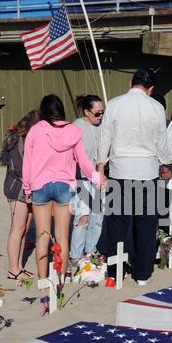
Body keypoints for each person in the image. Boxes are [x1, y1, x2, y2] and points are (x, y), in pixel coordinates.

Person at [97, 68, 172, 286]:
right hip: (147, 170)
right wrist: (165, 163)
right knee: (145, 223)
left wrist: (101, 165)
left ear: (131, 82)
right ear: (150, 89)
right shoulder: (157, 107)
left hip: (120, 169)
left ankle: (116, 272)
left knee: (117, 224)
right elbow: (162, 139)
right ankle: (142, 274)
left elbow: (105, 137)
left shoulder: (113, 103)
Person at [22, 94, 103, 283]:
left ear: (43, 111)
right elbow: (84, 162)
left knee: (42, 235)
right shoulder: (73, 131)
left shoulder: (35, 130)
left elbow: (28, 163)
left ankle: (43, 283)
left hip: (40, 187)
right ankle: (60, 281)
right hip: (65, 187)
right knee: (62, 236)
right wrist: (97, 178)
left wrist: (27, 189)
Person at [0, 110, 41, 284]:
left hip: (30, 188)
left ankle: (19, 266)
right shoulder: (18, 140)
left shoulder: (29, 139)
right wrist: (29, 187)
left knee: (24, 228)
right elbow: (18, 168)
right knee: (17, 228)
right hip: (18, 189)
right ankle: (13, 269)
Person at [69, 94, 104, 267]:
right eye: (97, 113)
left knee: (97, 216)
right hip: (80, 178)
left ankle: (90, 251)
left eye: (102, 112)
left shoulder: (102, 127)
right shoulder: (76, 127)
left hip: (98, 178)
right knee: (82, 217)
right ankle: (75, 255)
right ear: (86, 112)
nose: (101, 117)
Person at [151, 93, 172, 232]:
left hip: (164, 184)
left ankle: (163, 251)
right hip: (145, 182)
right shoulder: (146, 129)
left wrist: (158, 169)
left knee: (162, 221)